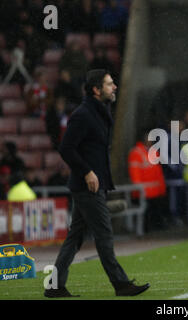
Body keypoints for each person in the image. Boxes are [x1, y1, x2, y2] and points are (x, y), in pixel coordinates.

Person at [44, 69, 150, 298]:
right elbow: (66, 148)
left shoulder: (99, 112)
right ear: (96, 89)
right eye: (110, 84)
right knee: (104, 234)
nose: (115, 87)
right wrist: (87, 172)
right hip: (87, 186)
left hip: (92, 185)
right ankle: (121, 284)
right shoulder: (83, 114)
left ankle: (53, 286)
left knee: (75, 238)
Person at [128, 130, 167, 232]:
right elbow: (135, 173)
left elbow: (158, 172)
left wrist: (162, 188)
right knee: (145, 215)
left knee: (154, 214)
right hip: (145, 191)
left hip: (155, 190)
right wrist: (139, 190)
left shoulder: (154, 152)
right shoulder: (136, 152)